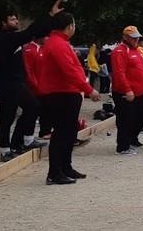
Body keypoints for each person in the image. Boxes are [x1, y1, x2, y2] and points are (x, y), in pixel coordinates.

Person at [0, 0, 61, 162]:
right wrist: (50, 15)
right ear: (3, 23)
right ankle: (5, 150)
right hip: (6, 84)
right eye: (12, 20)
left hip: (17, 83)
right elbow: (31, 32)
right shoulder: (3, 38)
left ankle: (24, 140)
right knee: (7, 116)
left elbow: (33, 32)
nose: (16, 22)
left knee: (33, 106)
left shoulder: (11, 37)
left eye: (16, 18)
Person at [35, 12, 101, 185]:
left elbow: (74, 69)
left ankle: (66, 167)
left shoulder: (61, 43)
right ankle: (54, 173)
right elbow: (69, 70)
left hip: (68, 93)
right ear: (69, 26)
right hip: (60, 94)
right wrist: (88, 89)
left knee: (69, 132)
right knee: (61, 134)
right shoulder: (57, 44)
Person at [110, 25, 143, 155]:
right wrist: (127, 90)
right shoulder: (119, 51)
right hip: (125, 93)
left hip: (140, 92)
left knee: (139, 118)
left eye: (137, 38)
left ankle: (130, 140)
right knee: (125, 119)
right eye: (133, 38)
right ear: (125, 37)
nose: (136, 40)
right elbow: (119, 72)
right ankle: (122, 146)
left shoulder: (137, 51)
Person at [22, 35, 52, 139]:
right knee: (35, 110)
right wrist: (35, 85)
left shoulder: (42, 49)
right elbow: (29, 71)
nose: (47, 39)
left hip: (44, 86)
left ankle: (45, 131)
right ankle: (28, 136)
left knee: (46, 109)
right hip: (35, 87)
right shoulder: (30, 50)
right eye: (46, 37)